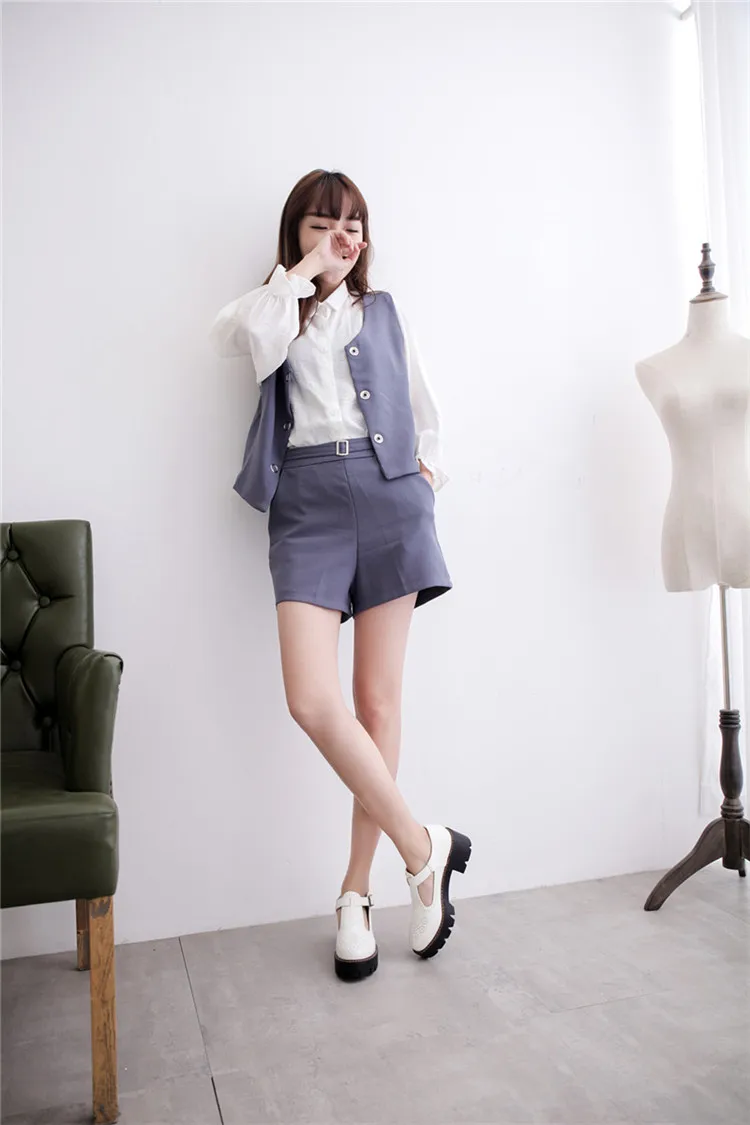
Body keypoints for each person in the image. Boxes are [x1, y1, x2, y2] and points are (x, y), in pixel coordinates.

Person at [209, 169, 472, 982]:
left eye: (354, 224)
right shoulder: (275, 310)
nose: (343, 237)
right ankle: (424, 848)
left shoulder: (383, 309)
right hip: (307, 506)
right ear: (297, 232)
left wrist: (427, 477)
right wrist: (303, 274)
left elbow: (426, 410)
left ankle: (356, 893)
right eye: (325, 223)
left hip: (391, 497)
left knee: (376, 703)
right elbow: (230, 336)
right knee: (311, 700)